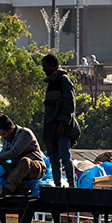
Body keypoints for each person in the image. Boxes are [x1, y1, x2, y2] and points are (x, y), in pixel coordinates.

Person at [41, 54, 80, 188]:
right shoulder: (51, 82)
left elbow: (69, 105)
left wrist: (62, 123)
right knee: (53, 159)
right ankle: (57, 186)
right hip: (51, 128)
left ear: (52, 65)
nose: (43, 69)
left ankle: (71, 186)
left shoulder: (64, 80)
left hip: (63, 127)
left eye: (45, 66)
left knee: (65, 157)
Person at [0, 113, 47, 194]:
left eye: (4, 134)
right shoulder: (6, 140)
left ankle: (8, 188)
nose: (3, 137)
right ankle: (22, 188)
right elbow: (3, 155)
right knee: (0, 162)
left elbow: (14, 153)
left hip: (35, 168)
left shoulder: (25, 134)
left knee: (25, 161)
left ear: (11, 130)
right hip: (19, 168)